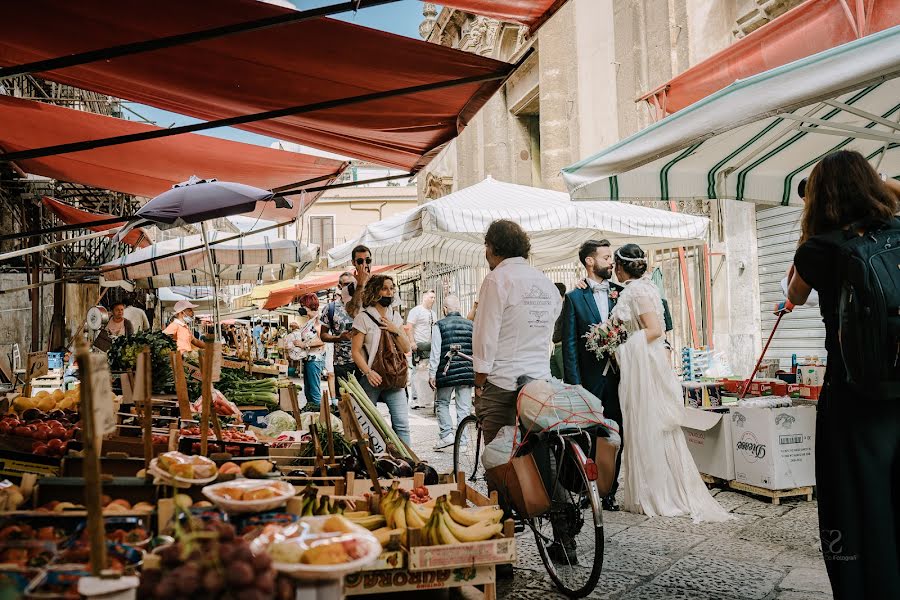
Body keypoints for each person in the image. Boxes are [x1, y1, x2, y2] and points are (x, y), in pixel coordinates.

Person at [782, 150, 900, 599]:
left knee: (857, 508)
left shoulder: (817, 249)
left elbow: (792, 295)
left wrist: (811, 225)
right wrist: (883, 186)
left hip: (854, 399)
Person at [609, 243, 730, 523]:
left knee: (649, 423)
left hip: (645, 366)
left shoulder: (638, 291)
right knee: (649, 424)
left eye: (615, 263)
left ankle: (658, 493)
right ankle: (654, 490)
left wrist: (624, 347)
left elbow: (653, 330)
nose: (614, 268)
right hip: (647, 363)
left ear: (622, 266)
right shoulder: (645, 288)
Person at [472, 220, 561, 445]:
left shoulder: (497, 280)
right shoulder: (545, 282)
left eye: (487, 246)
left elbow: (485, 335)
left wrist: (479, 381)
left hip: (503, 383)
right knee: (537, 455)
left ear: (493, 247)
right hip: (539, 383)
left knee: (499, 461)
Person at [560, 240, 624, 511]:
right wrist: (575, 385)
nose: (611, 262)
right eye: (606, 257)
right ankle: (590, 488)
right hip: (590, 380)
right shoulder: (574, 298)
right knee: (589, 436)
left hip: (620, 378)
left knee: (618, 433)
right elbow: (570, 343)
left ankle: (610, 490)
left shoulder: (620, 294)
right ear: (589, 261)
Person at [351, 274, 412, 445]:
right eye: (385, 288)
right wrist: (368, 372)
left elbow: (406, 348)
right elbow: (355, 351)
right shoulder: (362, 318)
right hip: (372, 378)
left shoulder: (395, 317)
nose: (389, 292)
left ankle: (407, 463)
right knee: (368, 424)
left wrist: (395, 329)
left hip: (394, 377)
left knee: (402, 425)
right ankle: (372, 461)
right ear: (375, 291)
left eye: (392, 288)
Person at [428, 295, 474, 451]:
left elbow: (435, 352)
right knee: (464, 408)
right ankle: (463, 442)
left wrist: (432, 373)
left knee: (442, 403)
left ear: (444, 309)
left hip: (446, 371)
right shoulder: (471, 325)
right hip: (467, 371)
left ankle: (447, 435)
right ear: (459, 308)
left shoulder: (439, 325)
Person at [320, 272, 359, 385]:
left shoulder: (363, 306)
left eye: (353, 284)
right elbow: (323, 335)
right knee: (345, 399)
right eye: (347, 284)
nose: (350, 287)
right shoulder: (330, 308)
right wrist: (338, 338)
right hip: (342, 362)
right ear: (339, 286)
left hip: (363, 362)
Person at [292, 294, 326, 407]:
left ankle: (321, 416)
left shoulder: (318, 320)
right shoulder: (310, 320)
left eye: (303, 305)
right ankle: (311, 413)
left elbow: (322, 340)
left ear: (308, 305)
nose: (301, 308)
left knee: (314, 391)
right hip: (309, 359)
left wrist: (304, 344)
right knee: (308, 391)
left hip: (315, 359)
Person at [406, 290, 437, 410]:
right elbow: (409, 327)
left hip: (430, 345)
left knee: (427, 371)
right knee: (416, 371)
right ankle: (415, 398)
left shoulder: (433, 313)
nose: (433, 300)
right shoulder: (416, 311)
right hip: (419, 344)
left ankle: (425, 398)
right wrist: (412, 342)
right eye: (431, 297)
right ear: (424, 298)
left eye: (434, 297)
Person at [346, 244, 373, 318]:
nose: (365, 264)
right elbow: (353, 313)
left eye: (368, 260)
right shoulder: (347, 289)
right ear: (353, 263)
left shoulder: (383, 283)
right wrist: (360, 285)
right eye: (360, 261)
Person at [550, 282, 567, 380]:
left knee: (566, 379)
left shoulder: (567, 307)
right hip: (555, 347)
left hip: (562, 347)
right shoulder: (558, 307)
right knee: (552, 378)